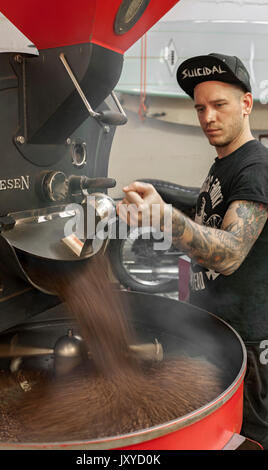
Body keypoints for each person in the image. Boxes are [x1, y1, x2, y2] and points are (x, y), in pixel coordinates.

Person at [116, 53, 268, 449]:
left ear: (246, 104)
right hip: (217, 330)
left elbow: (231, 253)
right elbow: (203, 237)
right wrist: (183, 303)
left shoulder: (255, 169)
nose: (207, 118)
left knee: (248, 438)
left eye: (219, 105)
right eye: (201, 107)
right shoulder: (224, 163)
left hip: (251, 348)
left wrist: (165, 218)